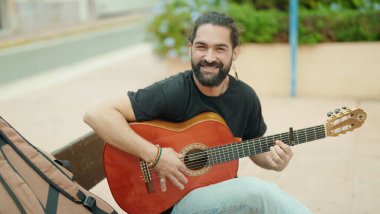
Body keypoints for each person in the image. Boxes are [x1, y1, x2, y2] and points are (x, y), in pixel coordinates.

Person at [84, 11, 311, 214]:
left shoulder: (245, 97)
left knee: (256, 197)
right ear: (190, 48)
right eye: (202, 47)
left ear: (236, 52)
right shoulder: (172, 92)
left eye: (220, 48)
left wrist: (273, 161)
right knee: (258, 193)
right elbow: (96, 114)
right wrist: (156, 157)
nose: (209, 57)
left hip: (215, 195)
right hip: (168, 205)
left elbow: (254, 145)